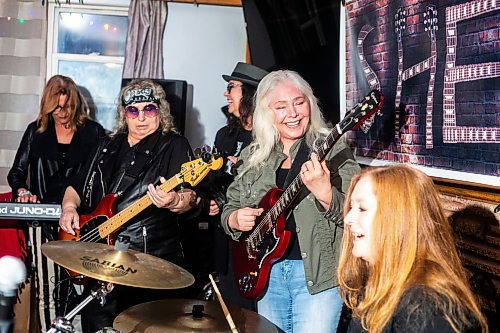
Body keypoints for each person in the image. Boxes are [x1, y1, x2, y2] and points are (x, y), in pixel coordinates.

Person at [221, 70, 360, 332]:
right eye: (281, 106)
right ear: (266, 113)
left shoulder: (333, 149)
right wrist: (233, 219)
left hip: (318, 277)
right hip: (266, 274)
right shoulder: (254, 155)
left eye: (299, 102)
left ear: (310, 103)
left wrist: (325, 192)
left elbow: (357, 217)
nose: (293, 113)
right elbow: (230, 205)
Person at [58, 79, 201, 332]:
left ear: (161, 111)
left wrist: (175, 201)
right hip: (99, 261)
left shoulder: (174, 145)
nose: (142, 117)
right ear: (125, 113)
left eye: (150, 109)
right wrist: (69, 208)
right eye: (134, 110)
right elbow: (75, 186)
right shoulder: (106, 146)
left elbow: (191, 196)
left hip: (148, 265)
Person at [338, 165, 488, 333]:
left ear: (399, 220)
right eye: (351, 207)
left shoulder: (427, 308)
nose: (348, 218)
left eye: (362, 209)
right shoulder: (375, 283)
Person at [7, 74, 105, 332]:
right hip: (43, 222)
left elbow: (102, 177)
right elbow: (16, 173)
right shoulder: (35, 131)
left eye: (67, 106)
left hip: (81, 221)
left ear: (75, 103)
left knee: (83, 287)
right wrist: (22, 190)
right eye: (57, 107)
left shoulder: (93, 133)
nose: (62, 113)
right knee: (49, 289)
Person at [204, 62, 268, 309]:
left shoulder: (269, 136)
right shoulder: (225, 135)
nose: (226, 93)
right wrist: (211, 200)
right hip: (225, 236)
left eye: (231, 87)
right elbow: (214, 182)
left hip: (257, 238)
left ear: (251, 93)